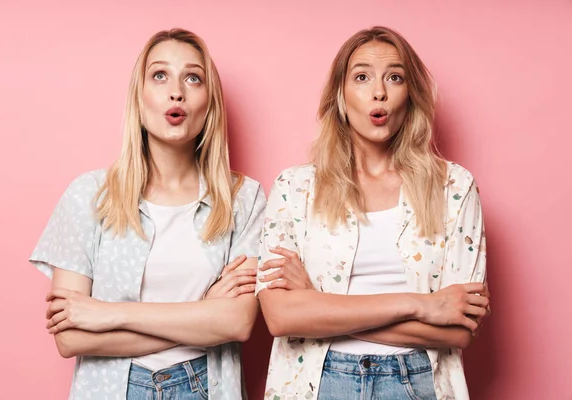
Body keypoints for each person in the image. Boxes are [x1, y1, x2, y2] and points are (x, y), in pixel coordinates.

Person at [30, 28, 265, 400]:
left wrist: (110, 314)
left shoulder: (244, 199)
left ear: (210, 101)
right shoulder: (89, 195)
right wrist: (202, 313)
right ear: (138, 98)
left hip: (206, 386)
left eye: (193, 77)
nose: (177, 91)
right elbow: (70, 336)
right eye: (159, 75)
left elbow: (237, 322)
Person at [256, 26, 489, 400]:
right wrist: (422, 305)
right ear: (341, 95)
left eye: (394, 77)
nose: (378, 91)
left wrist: (319, 307)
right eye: (361, 77)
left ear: (410, 94)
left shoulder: (454, 187)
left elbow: (458, 330)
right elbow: (282, 317)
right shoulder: (295, 188)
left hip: (417, 380)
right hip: (319, 382)